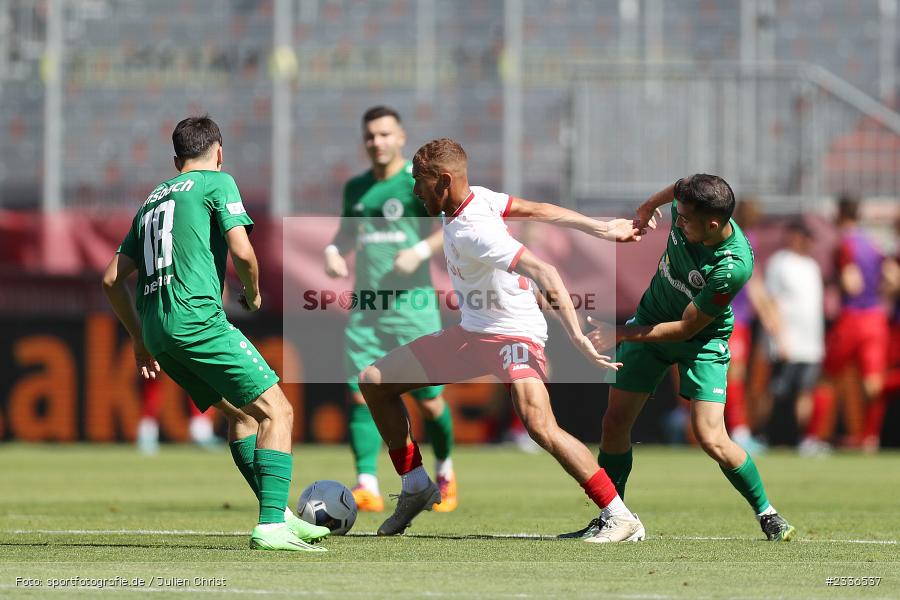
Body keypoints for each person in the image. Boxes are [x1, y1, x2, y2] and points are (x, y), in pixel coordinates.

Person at [359, 137, 648, 542]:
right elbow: (540, 209)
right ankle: (415, 486)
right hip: (473, 333)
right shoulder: (476, 199)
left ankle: (620, 515)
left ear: (443, 181)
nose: (414, 191)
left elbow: (545, 271)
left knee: (540, 425)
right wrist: (600, 227)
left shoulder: (474, 230)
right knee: (375, 381)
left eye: (419, 183)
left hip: (516, 334)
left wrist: (578, 337)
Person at [101, 115, 330, 552]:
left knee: (243, 416)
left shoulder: (151, 200)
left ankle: (277, 512)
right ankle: (270, 526)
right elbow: (243, 251)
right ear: (219, 153)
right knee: (278, 411)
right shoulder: (217, 182)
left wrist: (137, 339)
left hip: (157, 331)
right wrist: (255, 292)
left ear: (175, 159)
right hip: (198, 320)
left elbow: (111, 279)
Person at [570, 175, 796, 542]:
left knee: (710, 437)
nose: (678, 221)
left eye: (685, 219)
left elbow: (686, 329)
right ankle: (614, 517)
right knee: (614, 424)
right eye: (678, 213)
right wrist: (647, 207)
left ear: (712, 224)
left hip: (700, 341)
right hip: (648, 325)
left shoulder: (732, 265)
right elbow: (678, 189)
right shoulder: (687, 208)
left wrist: (621, 333)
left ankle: (767, 513)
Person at [324, 106, 458, 513]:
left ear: (400, 137)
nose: (377, 142)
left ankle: (444, 470)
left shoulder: (415, 183)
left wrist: (420, 249)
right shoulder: (357, 189)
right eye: (370, 136)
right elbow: (346, 235)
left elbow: (452, 225)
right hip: (366, 311)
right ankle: (366, 482)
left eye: (384, 135)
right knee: (362, 395)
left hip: (413, 309)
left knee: (430, 401)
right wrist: (334, 251)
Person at [806, 197, 890, 452]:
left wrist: (833, 285)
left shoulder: (845, 245)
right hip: (876, 318)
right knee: (873, 383)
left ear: (840, 213)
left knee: (826, 380)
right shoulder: (875, 244)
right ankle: (869, 438)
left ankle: (813, 438)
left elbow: (852, 283)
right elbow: (892, 278)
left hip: (852, 318)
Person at [762, 220, 824, 447]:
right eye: (805, 237)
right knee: (774, 392)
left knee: (805, 392)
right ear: (794, 236)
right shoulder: (779, 263)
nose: (809, 242)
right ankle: (762, 436)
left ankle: (805, 439)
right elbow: (771, 303)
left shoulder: (812, 266)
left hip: (811, 345)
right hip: (786, 343)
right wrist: (780, 339)